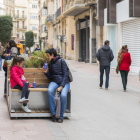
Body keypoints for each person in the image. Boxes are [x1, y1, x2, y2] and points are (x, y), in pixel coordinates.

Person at [43, 48, 70, 123]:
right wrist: (46, 72)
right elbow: (51, 77)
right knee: (49, 91)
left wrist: (61, 86)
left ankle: (61, 116)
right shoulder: (51, 63)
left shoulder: (62, 61)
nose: (47, 57)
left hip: (65, 83)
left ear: (52, 55)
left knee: (63, 96)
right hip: (54, 82)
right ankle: (54, 114)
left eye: (48, 55)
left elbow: (65, 75)